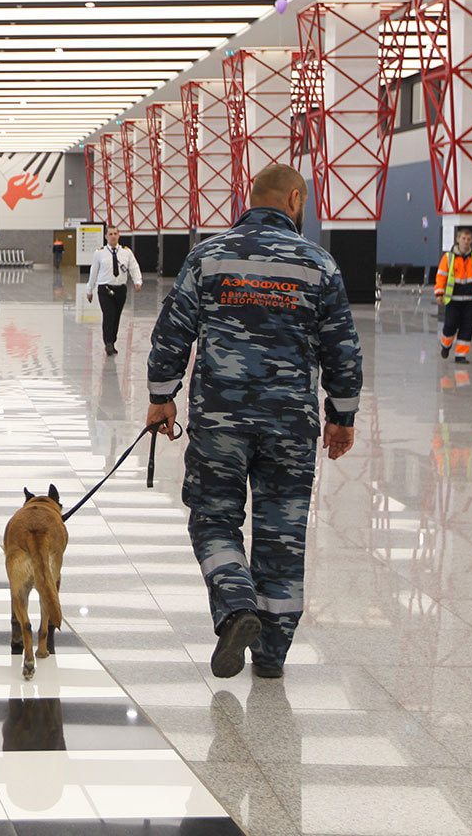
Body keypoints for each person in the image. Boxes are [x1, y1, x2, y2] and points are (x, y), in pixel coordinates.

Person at [145, 164, 362, 680]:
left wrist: (161, 398)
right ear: (294, 198)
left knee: (214, 518)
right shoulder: (319, 264)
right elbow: (343, 349)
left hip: (219, 421)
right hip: (291, 424)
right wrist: (342, 416)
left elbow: (172, 333)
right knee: (282, 533)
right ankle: (270, 656)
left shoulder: (209, 257)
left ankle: (237, 603)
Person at [434, 227, 472, 364]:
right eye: (463, 238)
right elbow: (441, 276)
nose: (466, 241)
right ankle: (445, 345)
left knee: (467, 327)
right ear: (457, 239)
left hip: (470, 299)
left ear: (471, 241)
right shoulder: (448, 257)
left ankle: (460, 355)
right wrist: (439, 293)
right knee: (450, 325)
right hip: (453, 299)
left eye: (468, 239)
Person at [86, 226, 143, 356]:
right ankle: (108, 343)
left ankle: (112, 340)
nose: (113, 236)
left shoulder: (126, 252)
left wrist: (137, 281)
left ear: (119, 235)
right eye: (110, 234)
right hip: (105, 288)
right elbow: (93, 272)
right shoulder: (99, 253)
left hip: (120, 289)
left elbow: (134, 267)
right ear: (106, 236)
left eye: (115, 233)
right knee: (109, 315)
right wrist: (90, 290)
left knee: (116, 316)